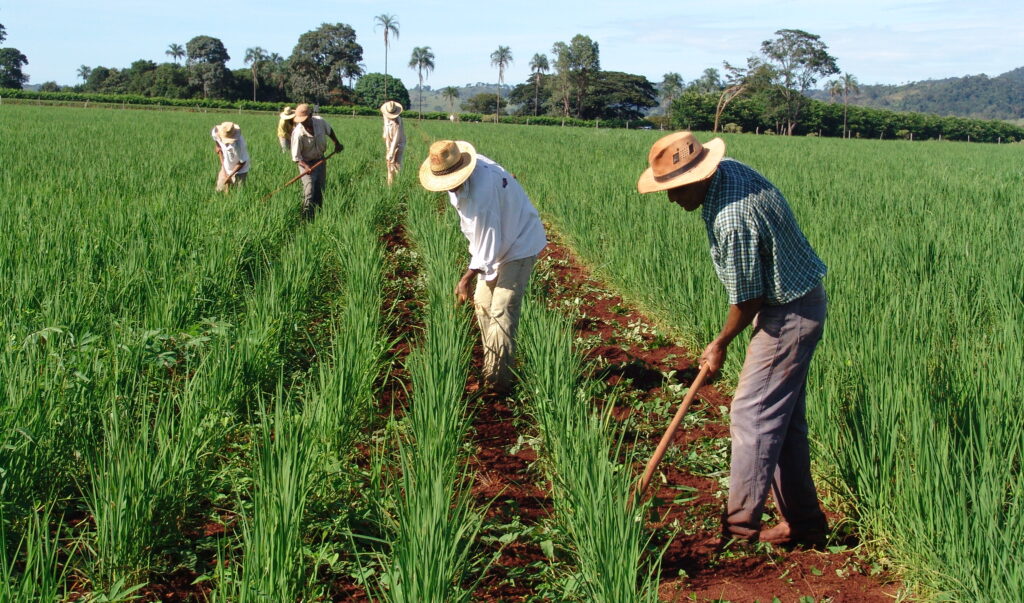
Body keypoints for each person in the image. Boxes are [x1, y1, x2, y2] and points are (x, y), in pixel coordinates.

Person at [636, 131, 829, 547]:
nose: (671, 199)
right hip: (794, 301)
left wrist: (720, 342)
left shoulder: (732, 217)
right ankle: (805, 524)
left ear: (700, 177)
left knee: (752, 415)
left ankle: (739, 531)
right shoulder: (729, 171)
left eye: (676, 189)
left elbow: (748, 298)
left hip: (788, 313)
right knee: (782, 422)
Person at [419, 140, 547, 396]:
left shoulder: (481, 196)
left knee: (502, 308)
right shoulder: (467, 170)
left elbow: (488, 244)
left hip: (519, 242)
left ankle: (497, 382)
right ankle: (495, 365)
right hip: (498, 239)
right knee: (482, 304)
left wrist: (465, 279)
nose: (450, 186)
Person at [290, 103, 343, 219]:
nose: (302, 123)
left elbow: (329, 131)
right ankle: (305, 216)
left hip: (320, 160)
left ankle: (318, 214)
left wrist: (336, 143)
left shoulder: (320, 122)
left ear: (310, 116)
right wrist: (306, 166)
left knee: (320, 189)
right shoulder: (298, 133)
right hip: (306, 163)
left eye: (304, 120)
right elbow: (296, 157)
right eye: (300, 121)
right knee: (309, 190)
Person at [211, 121, 249, 192]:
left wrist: (230, 176)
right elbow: (218, 147)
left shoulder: (239, 144)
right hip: (226, 165)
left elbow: (242, 162)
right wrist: (224, 170)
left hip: (240, 170)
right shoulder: (216, 133)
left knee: (238, 192)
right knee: (220, 189)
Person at [380, 100, 406, 185]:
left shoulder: (397, 122)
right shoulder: (386, 117)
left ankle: (398, 184)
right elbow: (386, 132)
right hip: (389, 144)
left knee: (397, 165)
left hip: (398, 145)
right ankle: (390, 184)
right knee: (389, 165)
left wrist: (391, 152)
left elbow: (396, 139)